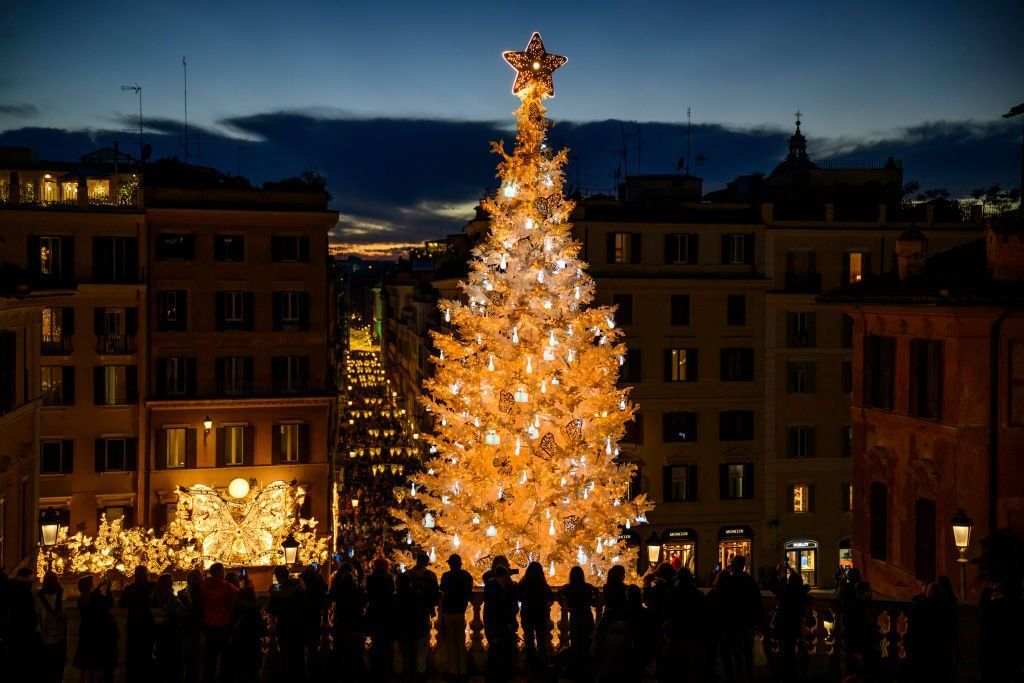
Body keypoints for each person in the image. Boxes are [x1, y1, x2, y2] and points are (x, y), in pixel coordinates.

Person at [715, 556, 762, 683]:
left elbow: (723, 604)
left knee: (738, 655)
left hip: (735, 624)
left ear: (736, 565)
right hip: (748, 623)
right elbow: (757, 603)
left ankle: (741, 678)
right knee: (747, 654)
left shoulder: (730, 582)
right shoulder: (750, 581)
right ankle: (749, 676)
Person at [663, 567, 708, 683]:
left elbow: (667, 613)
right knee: (693, 664)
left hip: (676, 633)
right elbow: (703, 614)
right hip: (693, 632)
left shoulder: (671, 594)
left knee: (677, 663)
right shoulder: (698, 594)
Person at [74, 574, 118, 683]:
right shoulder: (96, 598)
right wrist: (107, 589)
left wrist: (99, 587)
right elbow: (109, 603)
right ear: (90, 586)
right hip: (99, 635)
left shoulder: (81, 600)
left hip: (86, 634)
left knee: (87, 666)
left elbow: (91, 597)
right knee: (99, 666)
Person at [769, 564, 808, 681]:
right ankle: (792, 674)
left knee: (784, 651)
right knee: (791, 650)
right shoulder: (802, 591)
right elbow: (798, 581)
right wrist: (791, 570)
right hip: (795, 625)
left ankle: (784, 674)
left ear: (790, 581)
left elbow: (771, 583)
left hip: (784, 624)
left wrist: (777, 570)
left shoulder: (785, 592)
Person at [202, 562, 240, 683]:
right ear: (220, 572)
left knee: (210, 658)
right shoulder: (226, 586)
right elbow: (239, 595)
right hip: (224, 625)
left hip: (208, 625)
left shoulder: (204, 585)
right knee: (226, 657)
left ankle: (209, 678)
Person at [559, 566, 598, 682]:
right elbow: (596, 593)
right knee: (586, 642)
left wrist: (565, 606)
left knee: (575, 642)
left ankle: (576, 671)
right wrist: (592, 600)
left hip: (575, 617)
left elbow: (559, 593)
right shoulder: (587, 587)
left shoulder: (568, 588)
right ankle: (585, 671)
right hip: (586, 616)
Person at [269, 565, 307, 681]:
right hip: (299, 625)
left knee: (286, 654)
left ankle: (287, 675)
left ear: (277, 576)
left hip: (284, 626)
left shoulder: (276, 591)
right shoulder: (299, 587)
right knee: (299, 653)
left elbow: (272, 610)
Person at [909, 582, 952, 682]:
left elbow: (914, 625)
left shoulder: (920, 606)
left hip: (922, 645)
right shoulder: (943, 607)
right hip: (937, 647)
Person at [439, 553, 473, 681]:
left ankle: (454, 671)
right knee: (460, 641)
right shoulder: (466, 575)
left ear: (450, 564)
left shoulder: (446, 576)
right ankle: (463, 671)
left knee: (451, 642)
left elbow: (442, 589)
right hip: (460, 611)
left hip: (448, 611)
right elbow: (469, 591)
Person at [593, 569, 632, 683]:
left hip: (609, 620)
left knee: (606, 650)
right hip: (621, 620)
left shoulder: (607, 587)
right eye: (623, 574)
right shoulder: (625, 589)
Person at [119, 565, 157, 682]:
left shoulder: (129, 588)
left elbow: (122, 604)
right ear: (146, 574)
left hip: (134, 625)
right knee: (148, 653)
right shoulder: (152, 586)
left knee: (134, 655)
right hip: (147, 624)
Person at [483, 565, 519, 682]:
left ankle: (502, 676)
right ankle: (497, 676)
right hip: (498, 628)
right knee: (496, 654)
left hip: (503, 627)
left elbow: (511, 607)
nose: (504, 580)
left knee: (501, 653)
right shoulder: (494, 589)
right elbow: (493, 613)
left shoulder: (503, 587)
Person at [406, 552, 439, 676]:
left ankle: (410, 670)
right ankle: (421, 669)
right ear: (426, 562)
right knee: (423, 641)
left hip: (409, 612)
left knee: (411, 641)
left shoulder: (407, 574)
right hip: (424, 611)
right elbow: (435, 594)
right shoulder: (430, 575)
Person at [330, 562, 366, 677]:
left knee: (340, 649)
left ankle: (340, 670)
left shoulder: (338, 589)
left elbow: (332, 593)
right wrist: (359, 569)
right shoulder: (357, 590)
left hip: (341, 621)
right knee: (355, 650)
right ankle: (355, 670)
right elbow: (363, 583)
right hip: (355, 622)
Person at [395, 572, 430, 682]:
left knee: (406, 654)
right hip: (414, 628)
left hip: (403, 629)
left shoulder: (397, 597)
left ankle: (407, 676)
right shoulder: (415, 594)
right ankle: (415, 676)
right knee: (414, 653)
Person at [365, 558, 396, 681]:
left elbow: (369, 592)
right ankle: (387, 669)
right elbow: (392, 591)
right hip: (387, 613)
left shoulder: (371, 578)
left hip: (374, 612)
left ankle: (376, 669)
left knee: (376, 641)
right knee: (387, 643)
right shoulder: (388, 578)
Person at [151, 573, 185, 683]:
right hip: (172, 634)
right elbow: (181, 613)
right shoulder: (170, 598)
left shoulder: (153, 597)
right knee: (173, 665)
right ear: (169, 583)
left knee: (161, 663)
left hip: (159, 635)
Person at [518, 561, 552, 669]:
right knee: (542, 642)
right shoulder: (542, 584)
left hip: (527, 616)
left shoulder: (524, 583)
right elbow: (550, 597)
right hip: (540, 616)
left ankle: (530, 668)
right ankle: (543, 666)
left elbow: (518, 596)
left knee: (529, 643)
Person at [230, 577, 264, 683]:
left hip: (239, 645)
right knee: (254, 673)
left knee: (241, 673)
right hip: (253, 645)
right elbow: (262, 629)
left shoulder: (234, 610)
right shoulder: (255, 610)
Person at [35, 571, 67, 683]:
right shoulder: (60, 595)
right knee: (57, 669)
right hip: (59, 637)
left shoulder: (38, 598)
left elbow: (37, 617)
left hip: (45, 637)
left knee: (46, 669)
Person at [844, 580, 879, 680]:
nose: (872, 593)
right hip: (860, 649)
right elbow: (851, 631)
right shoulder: (858, 609)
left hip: (863, 648)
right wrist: (855, 651)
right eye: (870, 591)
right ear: (865, 592)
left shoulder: (860, 607)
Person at [178, 569, 205, 683]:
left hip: (187, 626)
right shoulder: (203, 592)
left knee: (189, 658)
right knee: (197, 657)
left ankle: (190, 677)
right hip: (198, 626)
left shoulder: (184, 592)